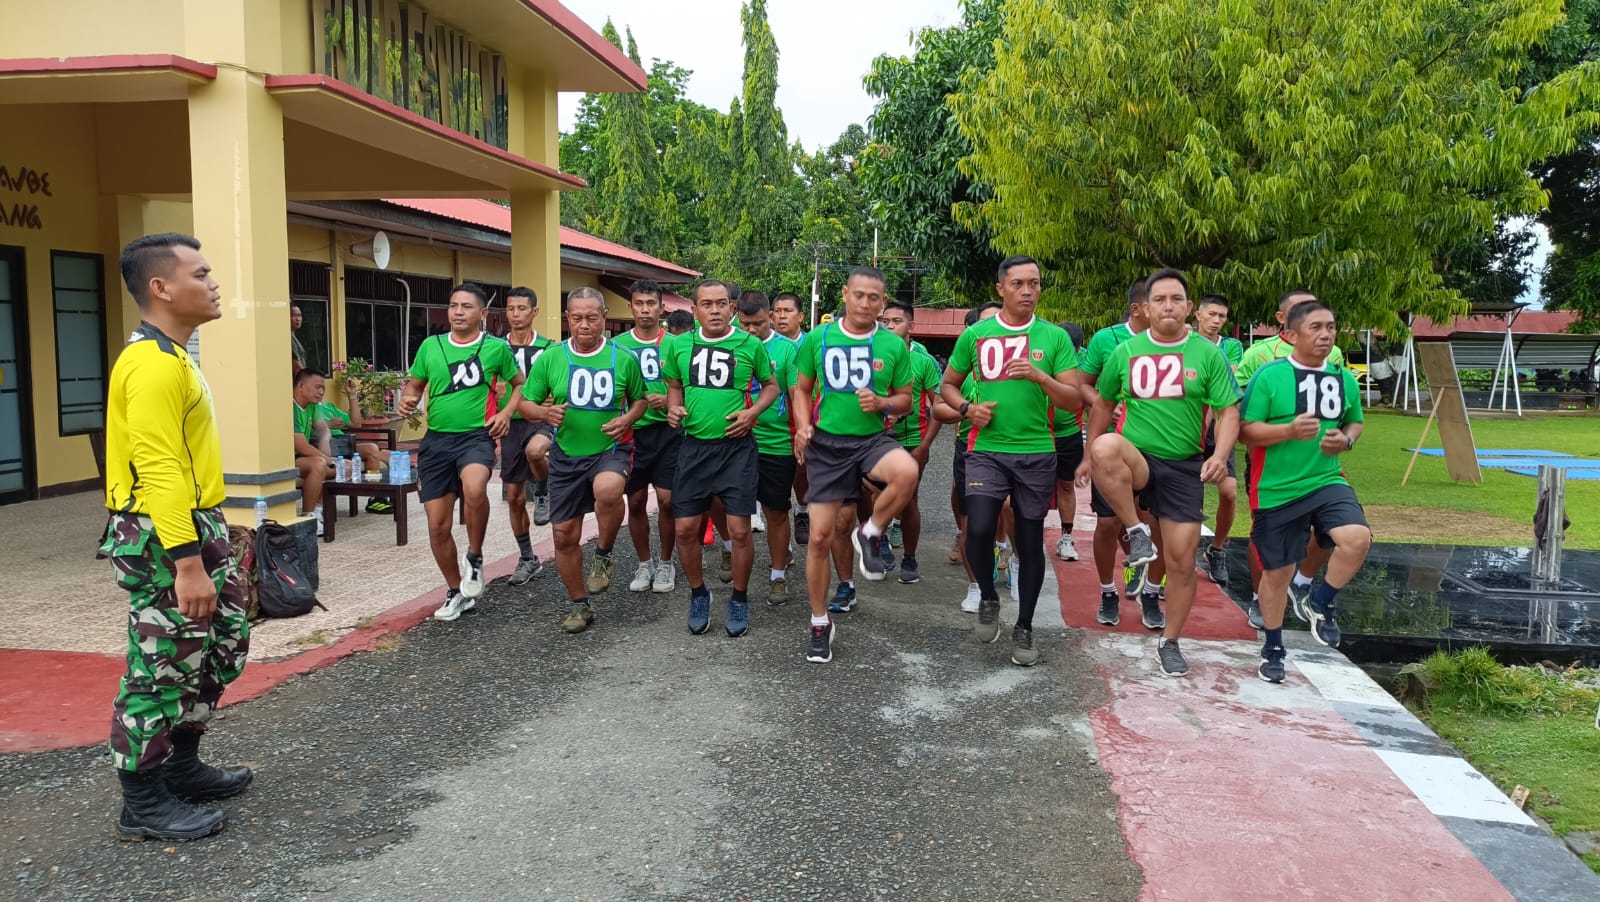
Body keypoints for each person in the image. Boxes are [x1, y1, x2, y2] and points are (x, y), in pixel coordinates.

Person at [102, 233, 251, 841]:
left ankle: (181, 765)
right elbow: (159, 468)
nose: (213, 284)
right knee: (161, 661)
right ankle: (141, 800)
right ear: (161, 288)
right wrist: (187, 563)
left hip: (195, 520)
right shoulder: (150, 364)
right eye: (201, 274)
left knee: (220, 643)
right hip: (162, 533)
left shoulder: (175, 355)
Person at [1089, 269, 1240, 677]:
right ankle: (1136, 531)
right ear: (1145, 307)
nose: (1168, 306)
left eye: (1176, 299)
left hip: (1184, 465)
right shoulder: (1125, 351)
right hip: (1138, 459)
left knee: (1182, 560)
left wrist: (1220, 455)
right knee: (1104, 447)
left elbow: (1228, 411)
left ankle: (1170, 640)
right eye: (1160, 299)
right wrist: (1089, 456)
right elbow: (1102, 404)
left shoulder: (1208, 354)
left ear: (1188, 307)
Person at [940, 256, 1083, 667]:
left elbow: (1074, 400)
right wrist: (967, 409)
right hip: (986, 448)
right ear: (1001, 288)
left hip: (1036, 451)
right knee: (979, 527)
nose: (1027, 291)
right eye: (1018, 283)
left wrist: (1041, 377)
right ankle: (987, 595)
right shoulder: (977, 335)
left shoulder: (1054, 338)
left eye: (1034, 283)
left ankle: (1025, 627)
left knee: (1029, 539)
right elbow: (948, 385)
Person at [791, 267, 919, 663]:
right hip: (827, 445)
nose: (865, 303)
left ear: (883, 303)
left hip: (871, 440)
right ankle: (819, 622)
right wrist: (803, 426)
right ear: (846, 294)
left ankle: (872, 530)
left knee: (907, 472)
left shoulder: (892, 345)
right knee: (819, 537)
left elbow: (906, 399)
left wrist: (883, 403)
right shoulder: (819, 337)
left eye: (873, 297)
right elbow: (801, 389)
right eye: (858, 295)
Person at [1239, 300, 1372, 682]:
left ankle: (1320, 600)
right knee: (1277, 572)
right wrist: (1288, 431)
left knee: (1357, 538)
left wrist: (1346, 440)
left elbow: (1355, 422)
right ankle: (1273, 648)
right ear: (1291, 334)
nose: (1326, 334)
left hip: (1326, 480)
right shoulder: (1269, 376)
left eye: (1330, 327)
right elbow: (1245, 431)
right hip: (1276, 489)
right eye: (1316, 327)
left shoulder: (1343, 378)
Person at [518, 288, 648, 634]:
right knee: (563, 536)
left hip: (610, 449)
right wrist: (544, 413)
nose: (584, 325)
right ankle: (579, 604)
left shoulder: (623, 358)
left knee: (608, 490)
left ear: (604, 317)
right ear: (568, 319)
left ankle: (603, 554)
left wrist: (627, 419)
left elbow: (640, 400)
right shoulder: (552, 358)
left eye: (592, 317)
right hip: (566, 455)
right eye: (577, 318)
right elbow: (525, 403)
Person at [397, 283, 521, 622]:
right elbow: (415, 385)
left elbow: (520, 384)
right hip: (436, 442)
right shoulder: (430, 346)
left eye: (467, 306)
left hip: (476, 438)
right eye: (453, 305)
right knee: (438, 525)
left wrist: (506, 413)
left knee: (475, 488)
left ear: (482, 313)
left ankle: (475, 556)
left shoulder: (496, 348)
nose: (458, 312)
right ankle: (456, 591)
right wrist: (407, 400)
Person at [663, 279, 779, 637]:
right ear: (694, 309)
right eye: (706, 304)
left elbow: (772, 386)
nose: (714, 310)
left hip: (736, 450)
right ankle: (699, 594)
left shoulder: (750, 344)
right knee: (685, 529)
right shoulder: (679, 345)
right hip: (694, 448)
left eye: (721, 304)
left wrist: (753, 413)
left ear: (732, 308)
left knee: (740, 530)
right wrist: (673, 408)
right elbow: (674, 386)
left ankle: (739, 598)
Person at [1237, 289, 1344, 626]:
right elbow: (1239, 404)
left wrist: (1342, 438)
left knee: (1333, 530)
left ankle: (1302, 582)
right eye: (1301, 310)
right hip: (1271, 463)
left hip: (1319, 464)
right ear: (1283, 318)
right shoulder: (1259, 354)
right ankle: (1260, 598)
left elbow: (1342, 407)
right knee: (1265, 535)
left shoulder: (1334, 354)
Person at [1075, 281, 1150, 624]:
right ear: (1138, 308)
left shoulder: (1181, 344)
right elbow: (1083, 385)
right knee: (1108, 522)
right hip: (1111, 446)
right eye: (1158, 301)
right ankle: (1107, 591)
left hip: (1157, 447)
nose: (1168, 309)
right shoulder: (1108, 340)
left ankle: (1149, 587)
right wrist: (1104, 404)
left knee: (1151, 522)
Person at [935, 301, 1000, 612]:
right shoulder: (964, 371)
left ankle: (1012, 557)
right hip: (972, 450)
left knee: (1013, 514)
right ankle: (976, 586)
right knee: (972, 521)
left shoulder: (1025, 362)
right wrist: (967, 411)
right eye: (985, 323)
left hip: (1019, 451)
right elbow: (938, 408)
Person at [616, 280, 680, 594]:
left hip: (669, 432)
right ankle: (645, 563)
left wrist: (669, 401)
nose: (645, 309)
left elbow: (689, 388)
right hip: (633, 434)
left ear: (661, 307)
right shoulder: (617, 346)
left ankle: (667, 562)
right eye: (639, 303)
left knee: (668, 501)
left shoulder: (677, 344)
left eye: (651, 303)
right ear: (631, 307)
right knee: (637, 500)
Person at [737, 291, 801, 605]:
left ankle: (778, 574)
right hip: (734, 442)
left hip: (777, 445)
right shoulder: (729, 345)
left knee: (776, 512)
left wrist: (802, 432)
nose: (752, 330)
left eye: (759, 323)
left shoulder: (787, 350)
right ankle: (732, 557)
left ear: (771, 318)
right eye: (746, 324)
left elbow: (796, 394)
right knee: (733, 511)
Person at [880, 299, 943, 584]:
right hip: (877, 440)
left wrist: (924, 446)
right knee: (873, 496)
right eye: (885, 321)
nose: (890, 326)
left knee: (908, 500)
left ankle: (909, 557)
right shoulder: (870, 354)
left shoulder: (924, 361)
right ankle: (879, 543)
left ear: (911, 326)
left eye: (897, 321)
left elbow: (938, 406)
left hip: (912, 440)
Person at [496, 287, 556, 585]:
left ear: (534, 311)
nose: (515, 314)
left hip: (539, 421)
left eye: (521, 308)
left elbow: (560, 382)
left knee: (536, 451)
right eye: (511, 308)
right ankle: (528, 557)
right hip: (510, 426)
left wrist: (553, 398)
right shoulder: (495, 348)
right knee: (515, 498)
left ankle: (543, 490)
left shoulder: (549, 348)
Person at [1192, 294, 1244, 588]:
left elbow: (1223, 387)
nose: (1216, 320)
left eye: (1222, 316)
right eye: (1211, 314)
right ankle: (1182, 555)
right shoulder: (1185, 343)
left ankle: (1217, 549)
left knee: (1229, 492)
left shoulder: (1231, 347)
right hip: (1189, 428)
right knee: (1191, 498)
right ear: (1197, 315)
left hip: (1219, 428)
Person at [771, 290, 811, 544]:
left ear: (801, 316)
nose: (782, 316)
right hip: (773, 422)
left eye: (788, 311)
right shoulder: (763, 343)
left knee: (802, 469)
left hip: (806, 415)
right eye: (777, 311)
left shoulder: (813, 344)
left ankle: (803, 510)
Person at [1052, 321, 1087, 563]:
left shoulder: (1085, 362)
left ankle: (1066, 537)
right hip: (1038, 433)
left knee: (1066, 485)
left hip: (1069, 433)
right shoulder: (1044, 353)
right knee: (1032, 487)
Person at [290, 302, 307, 377]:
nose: (298, 319)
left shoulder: (294, 337)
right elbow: (297, 367)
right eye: (294, 315)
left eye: (299, 315)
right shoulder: (289, 339)